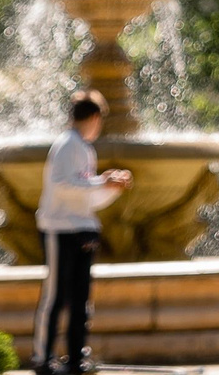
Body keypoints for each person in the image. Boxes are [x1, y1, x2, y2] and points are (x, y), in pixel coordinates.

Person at [33, 89, 131, 375]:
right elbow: (63, 184)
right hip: (60, 230)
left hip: (83, 230)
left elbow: (87, 197)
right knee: (55, 297)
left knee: (80, 299)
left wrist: (111, 188)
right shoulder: (67, 144)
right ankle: (43, 358)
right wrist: (103, 181)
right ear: (95, 117)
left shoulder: (85, 148)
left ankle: (76, 357)